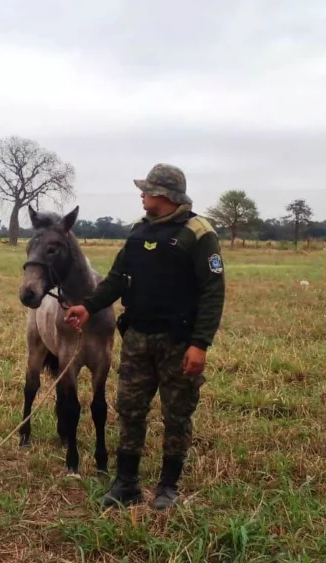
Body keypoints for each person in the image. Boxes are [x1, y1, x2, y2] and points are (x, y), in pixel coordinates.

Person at [65, 163, 226, 510]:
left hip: (179, 342)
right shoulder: (139, 232)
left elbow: (213, 293)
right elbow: (116, 278)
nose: (142, 194)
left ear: (165, 195)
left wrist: (200, 344)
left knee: (177, 414)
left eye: (147, 190)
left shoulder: (198, 234)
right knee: (130, 410)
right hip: (137, 337)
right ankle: (127, 484)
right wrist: (88, 307)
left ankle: (168, 488)